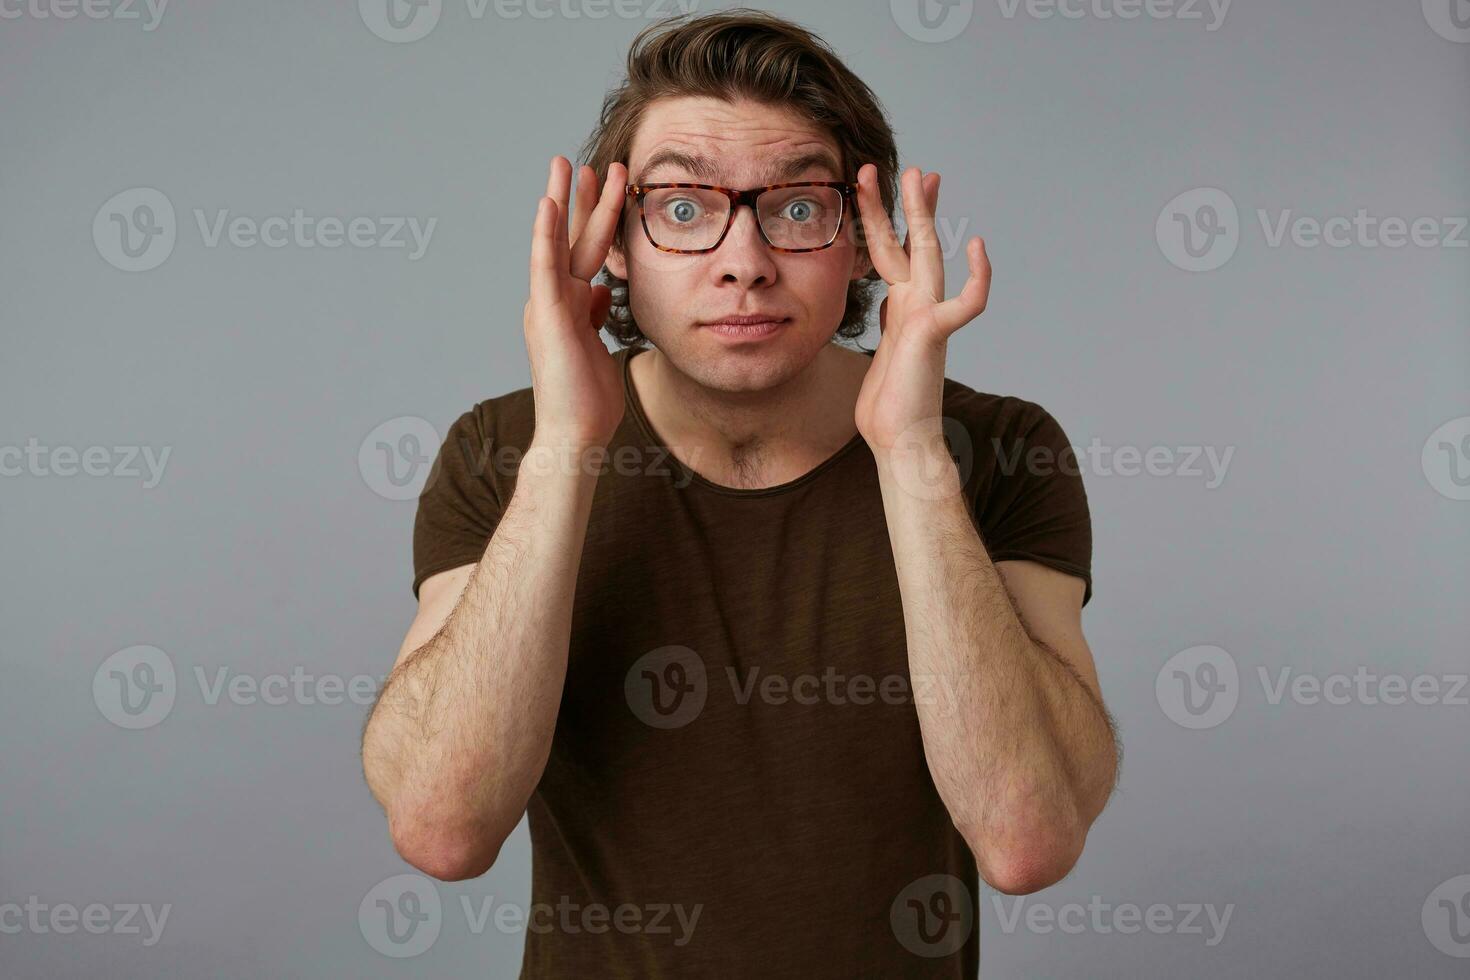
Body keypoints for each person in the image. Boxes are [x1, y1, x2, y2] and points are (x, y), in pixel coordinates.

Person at [361, 10, 1119, 977]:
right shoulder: (502, 449)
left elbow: (1027, 842)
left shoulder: (1000, 449)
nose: (745, 261)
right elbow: (442, 830)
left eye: (798, 207)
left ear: (864, 238)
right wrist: (566, 444)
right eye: (682, 208)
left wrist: (913, 451)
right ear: (616, 244)